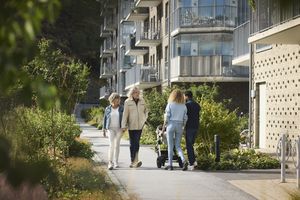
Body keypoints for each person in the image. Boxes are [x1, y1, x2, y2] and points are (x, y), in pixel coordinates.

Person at [121, 87, 148, 168]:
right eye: (136, 92)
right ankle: (133, 161)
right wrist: (123, 125)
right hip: (131, 125)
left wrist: (144, 119)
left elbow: (146, 110)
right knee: (132, 143)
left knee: (137, 143)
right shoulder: (127, 102)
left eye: (138, 92)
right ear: (132, 93)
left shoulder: (142, 100)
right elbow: (125, 114)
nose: (138, 94)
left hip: (140, 125)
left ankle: (135, 160)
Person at [163, 89, 188, 171]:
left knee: (170, 146)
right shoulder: (183, 106)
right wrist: (183, 126)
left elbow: (167, 117)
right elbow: (185, 118)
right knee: (178, 145)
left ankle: (170, 165)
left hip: (171, 124)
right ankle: (184, 160)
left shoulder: (170, 104)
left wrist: (164, 127)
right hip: (180, 125)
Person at [103, 93, 124, 170]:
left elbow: (125, 118)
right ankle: (110, 162)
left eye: (118, 99)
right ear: (112, 99)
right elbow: (105, 119)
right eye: (116, 98)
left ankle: (116, 162)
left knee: (117, 145)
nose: (118, 100)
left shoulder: (122, 108)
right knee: (111, 145)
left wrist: (124, 127)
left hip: (119, 129)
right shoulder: (107, 109)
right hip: (110, 128)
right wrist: (103, 130)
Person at [184, 90, 201, 170]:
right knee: (191, 145)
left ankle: (191, 163)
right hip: (196, 127)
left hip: (189, 127)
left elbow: (185, 116)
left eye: (184, 96)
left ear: (186, 96)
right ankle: (194, 162)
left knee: (189, 146)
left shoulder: (187, 105)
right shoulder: (197, 105)